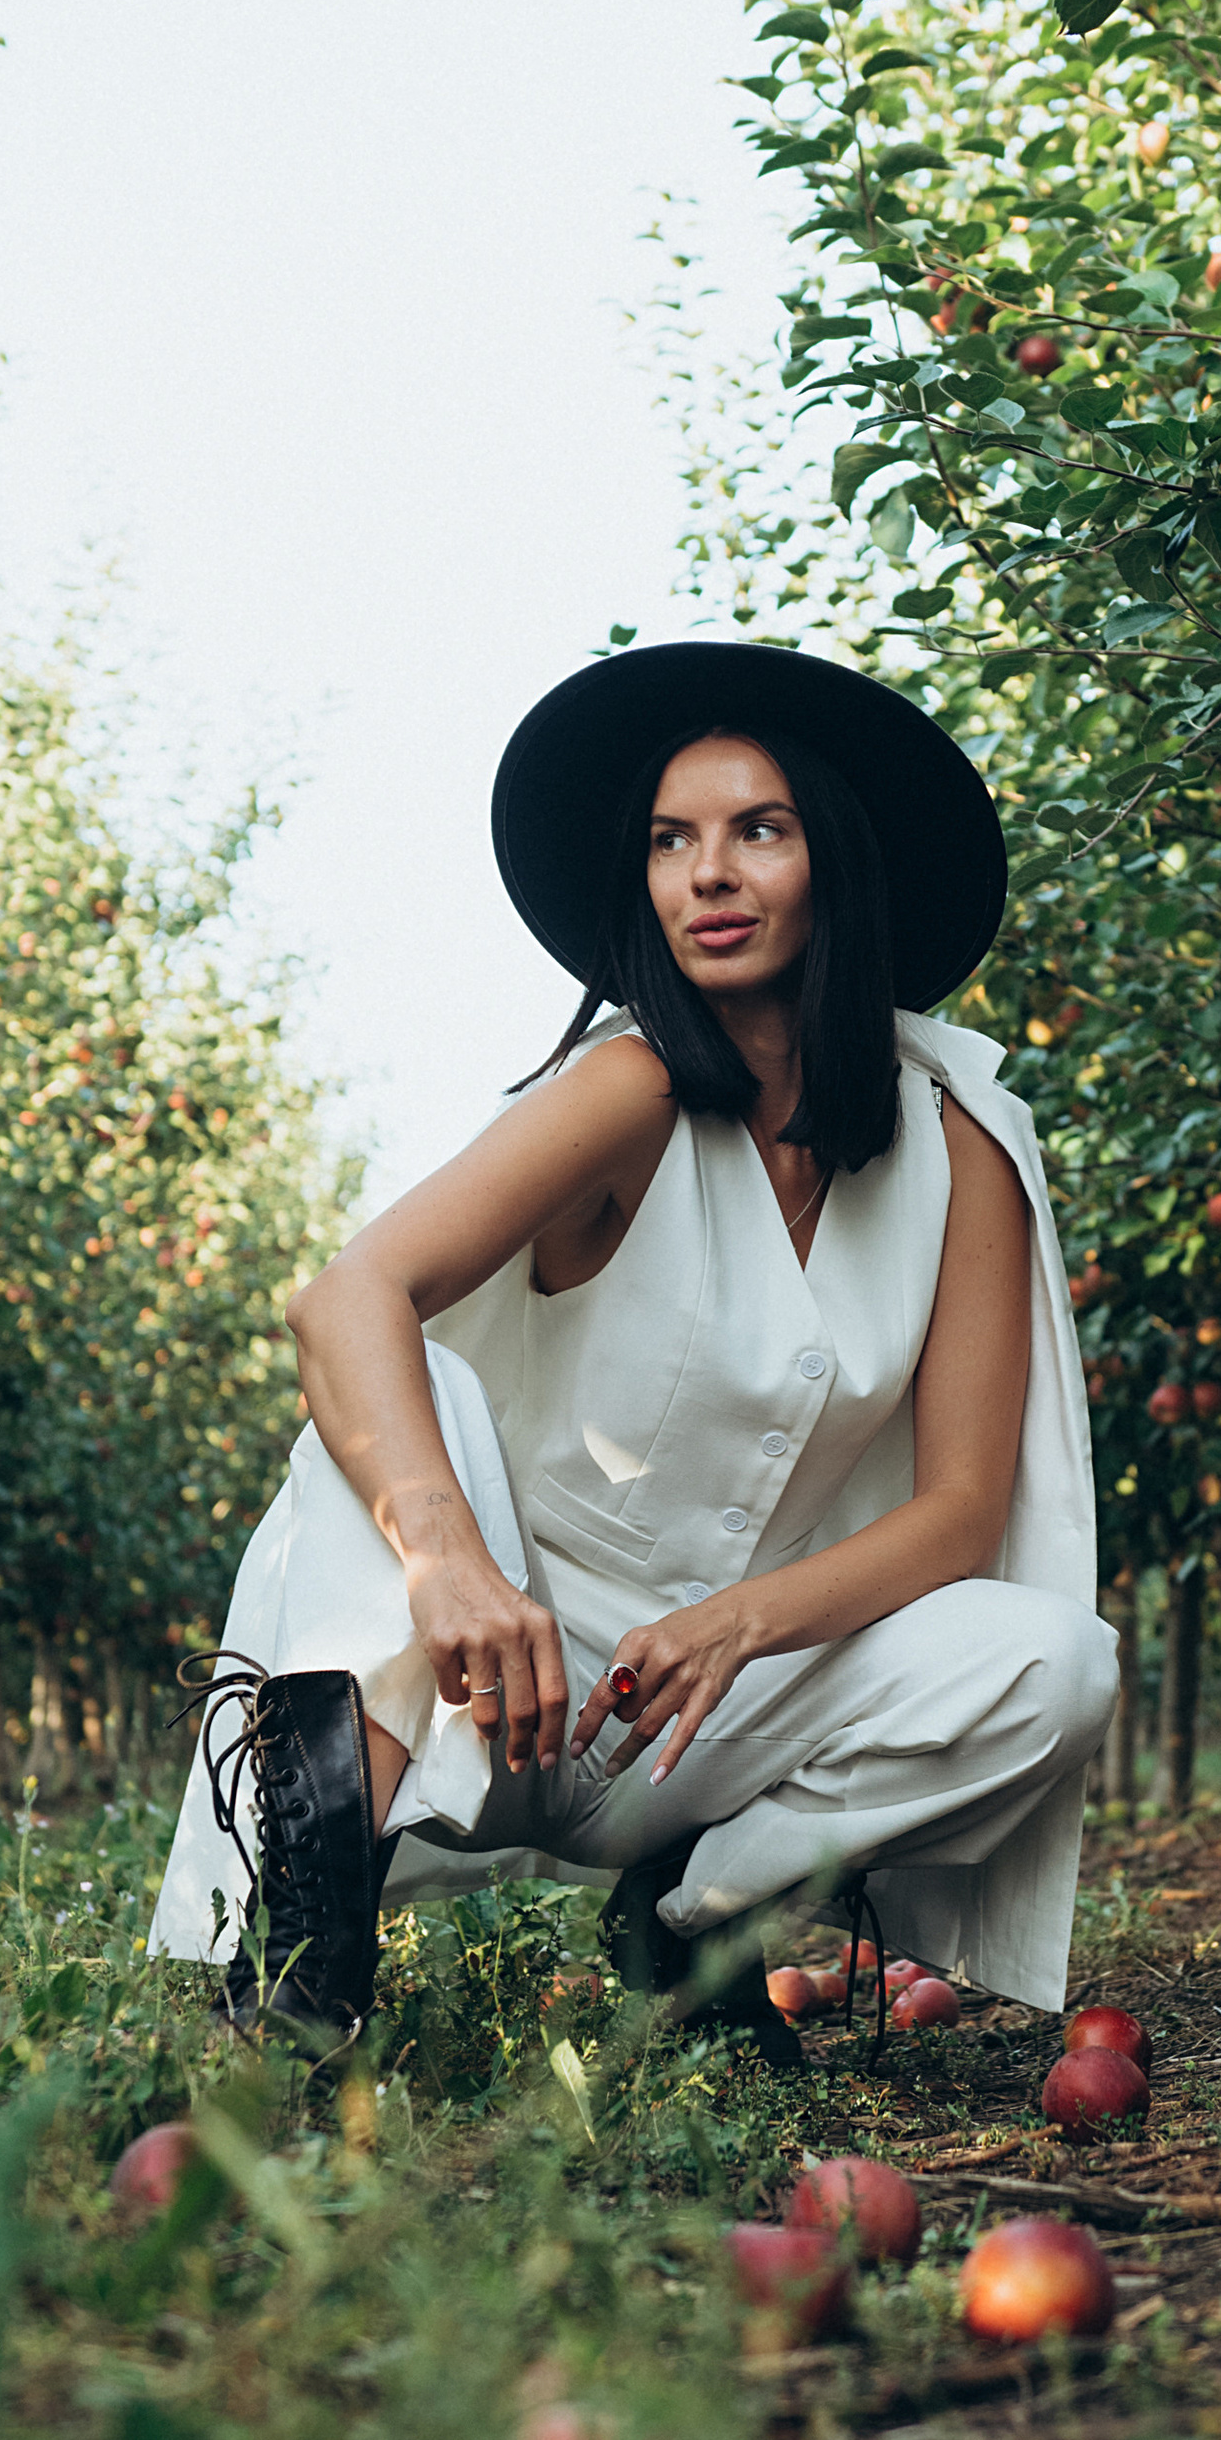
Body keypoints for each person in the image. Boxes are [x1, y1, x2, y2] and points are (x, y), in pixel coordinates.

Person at [148, 639, 1115, 2059]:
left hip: (706, 1717)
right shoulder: (633, 1085)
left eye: (756, 832)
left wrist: (742, 1623)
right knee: (414, 1405)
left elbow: (963, 1510)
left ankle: (691, 1922)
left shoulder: (954, 1147)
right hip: (490, 1681)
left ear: (834, 861)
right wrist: (452, 1566)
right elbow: (347, 1297)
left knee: (1056, 1661)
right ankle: (306, 1948)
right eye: (672, 842)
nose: (706, 876)